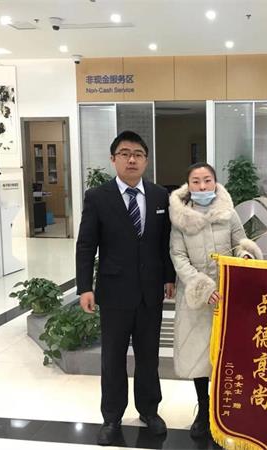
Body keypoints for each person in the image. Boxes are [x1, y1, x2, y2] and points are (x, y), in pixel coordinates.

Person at [76, 130, 176, 446]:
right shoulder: (97, 196)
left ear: (146, 160)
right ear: (113, 159)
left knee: (148, 356)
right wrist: (84, 287)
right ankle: (112, 417)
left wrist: (169, 277)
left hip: (150, 292)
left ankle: (149, 410)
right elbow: (86, 244)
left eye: (138, 154)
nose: (131, 159)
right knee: (113, 358)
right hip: (114, 292)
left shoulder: (160, 196)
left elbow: (165, 242)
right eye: (124, 153)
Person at [168, 163, 262, 439]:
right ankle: (204, 408)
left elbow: (241, 242)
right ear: (188, 186)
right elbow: (178, 256)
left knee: (229, 354)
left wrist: (246, 256)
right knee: (199, 354)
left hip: (229, 294)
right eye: (196, 181)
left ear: (215, 182)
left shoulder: (228, 212)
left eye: (207, 180)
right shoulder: (180, 218)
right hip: (196, 296)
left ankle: (227, 407)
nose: (202, 186)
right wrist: (202, 286)